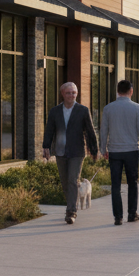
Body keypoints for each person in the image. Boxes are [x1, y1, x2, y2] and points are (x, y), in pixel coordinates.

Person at [42, 81, 99, 225]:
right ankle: (71, 206)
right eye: (68, 93)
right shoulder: (55, 111)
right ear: (62, 94)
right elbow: (49, 130)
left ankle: (71, 211)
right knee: (65, 181)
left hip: (77, 151)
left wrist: (94, 150)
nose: (71, 95)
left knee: (73, 179)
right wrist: (46, 146)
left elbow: (90, 131)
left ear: (77, 94)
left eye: (74, 93)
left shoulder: (83, 110)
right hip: (60, 150)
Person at [99, 80, 139, 226]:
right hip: (131, 150)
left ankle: (118, 217)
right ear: (131, 91)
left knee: (115, 184)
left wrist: (103, 149)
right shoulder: (136, 108)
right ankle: (132, 213)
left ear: (117, 91)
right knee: (132, 183)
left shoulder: (108, 108)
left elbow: (104, 131)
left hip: (114, 151)